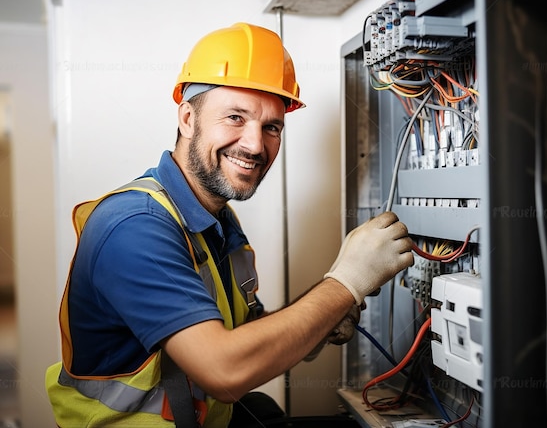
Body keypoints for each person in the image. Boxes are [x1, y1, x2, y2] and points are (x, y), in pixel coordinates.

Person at [45, 22, 414, 428]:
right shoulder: (135, 226)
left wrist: (326, 315)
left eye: (271, 127)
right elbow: (224, 371)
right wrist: (346, 283)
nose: (256, 145)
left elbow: (244, 333)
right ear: (187, 118)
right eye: (235, 117)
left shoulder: (217, 218)